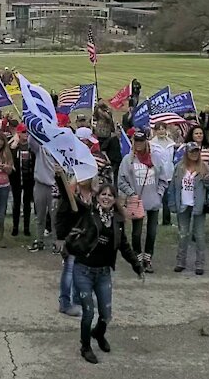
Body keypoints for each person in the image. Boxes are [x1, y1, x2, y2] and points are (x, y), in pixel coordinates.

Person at [70, 183, 142, 364]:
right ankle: (85, 346)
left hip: (103, 273)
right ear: (97, 196)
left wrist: (136, 265)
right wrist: (59, 176)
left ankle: (98, 333)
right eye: (103, 194)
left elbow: (124, 246)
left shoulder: (117, 221)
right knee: (88, 312)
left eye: (110, 195)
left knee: (106, 314)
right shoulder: (88, 214)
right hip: (83, 270)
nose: (107, 197)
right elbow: (69, 198)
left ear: (114, 199)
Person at [118, 131, 170, 272]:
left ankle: (148, 258)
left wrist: (159, 194)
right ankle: (138, 257)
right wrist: (132, 194)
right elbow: (121, 181)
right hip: (137, 201)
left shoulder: (155, 158)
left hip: (153, 201)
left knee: (152, 232)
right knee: (137, 232)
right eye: (137, 141)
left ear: (146, 142)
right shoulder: (128, 160)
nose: (139, 144)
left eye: (141, 141)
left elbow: (163, 180)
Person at [166, 142, 209, 275]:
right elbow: (173, 188)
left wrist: (207, 181)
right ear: (186, 153)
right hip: (182, 204)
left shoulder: (205, 167)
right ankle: (180, 262)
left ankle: (200, 264)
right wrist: (172, 204)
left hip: (198, 205)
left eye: (196, 151)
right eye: (191, 151)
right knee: (183, 234)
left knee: (199, 235)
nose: (194, 154)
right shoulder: (179, 167)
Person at [9, 124, 34, 237]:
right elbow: (9, 159)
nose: (26, 134)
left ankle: (26, 227)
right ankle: (15, 227)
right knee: (16, 202)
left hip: (29, 178)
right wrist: (14, 146)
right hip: (16, 179)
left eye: (27, 132)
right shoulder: (14, 146)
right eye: (23, 132)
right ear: (18, 133)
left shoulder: (31, 146)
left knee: (27, 203)